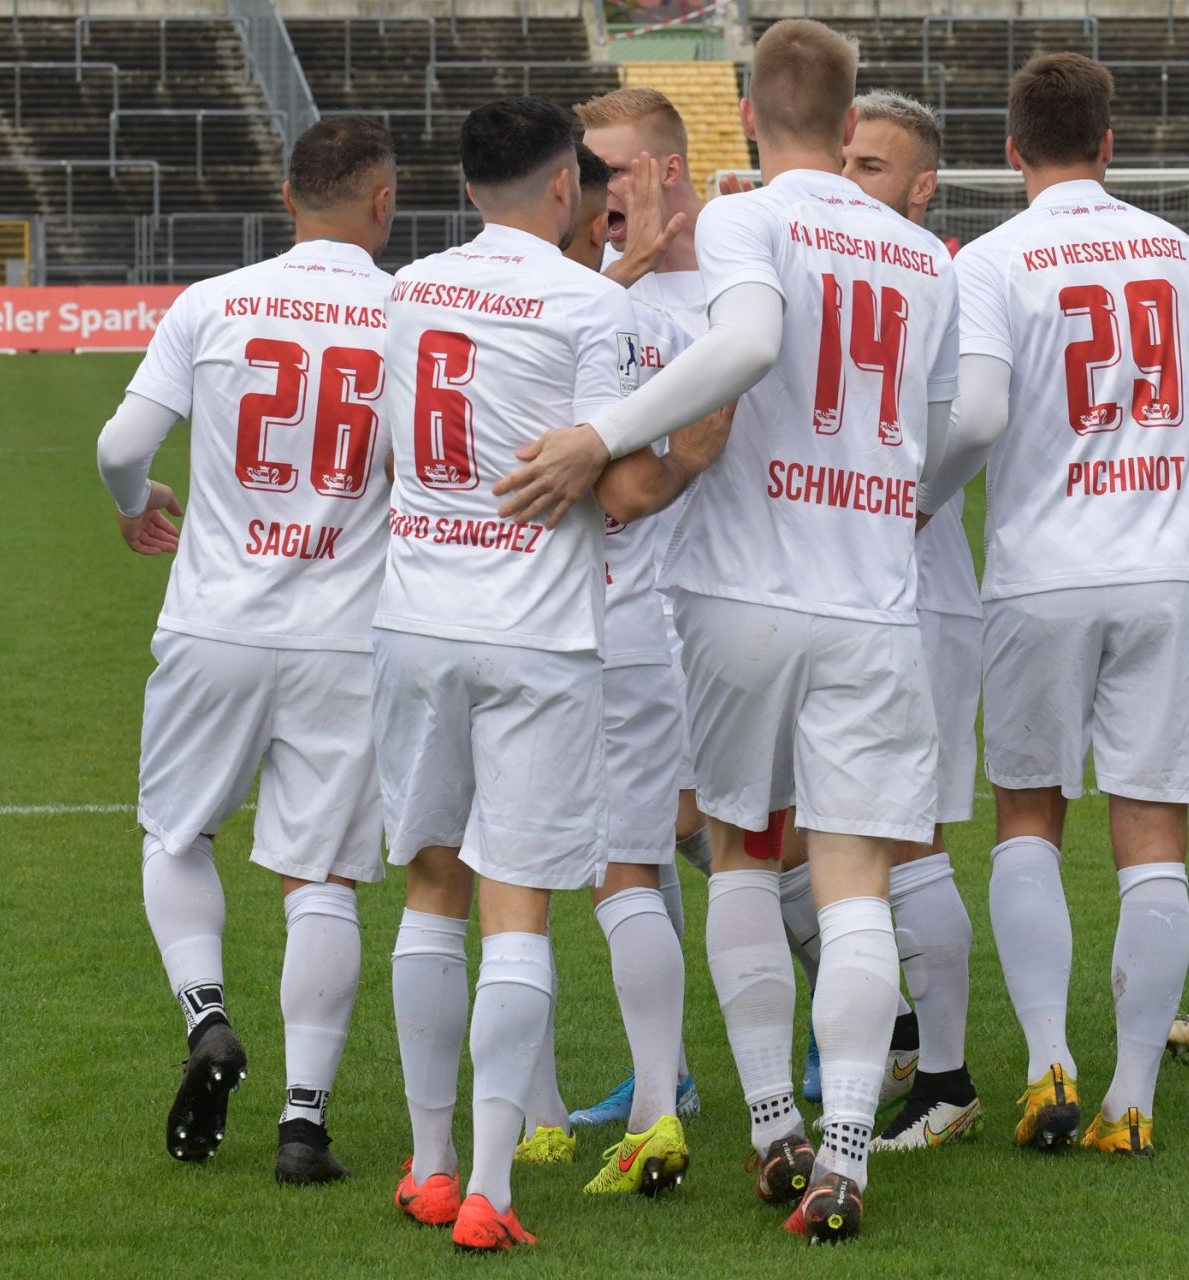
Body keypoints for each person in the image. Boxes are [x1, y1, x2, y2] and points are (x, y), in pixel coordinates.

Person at [494, 19, 963, 1243]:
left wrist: (600, 436)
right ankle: (849, 1146)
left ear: (751, 116)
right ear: (855, 123)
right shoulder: (923, 255)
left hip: (740, 593)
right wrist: (896, 505)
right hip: (870, 592)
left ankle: (771, 1125)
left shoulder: (753, 218)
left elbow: (749, 345)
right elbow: (956, 419)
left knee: (746, 850)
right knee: (857, 872)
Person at [918, 53, 1189, 1160]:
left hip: (1040, 569)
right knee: (1153, 832)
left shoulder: (991, 257)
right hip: (1166, 567)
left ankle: (1043, 1064)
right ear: (1111, 144)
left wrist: (914, 503)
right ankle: (1131, 1095)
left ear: (1012, 150)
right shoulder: (1179, 251)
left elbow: (975, 418)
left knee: (1027, 814)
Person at [375, 96, 678, 1251]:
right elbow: (624, 485)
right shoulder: (591, 304)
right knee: (519, 910)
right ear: (565, 190)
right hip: (535, 635)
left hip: (413, 620)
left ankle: (433, 1160)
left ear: (465, 188)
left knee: (431, 887)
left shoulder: (408, 292)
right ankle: (494, 1188)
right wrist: (700, 437)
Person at [93, 116, 399, 1184]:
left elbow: (121, 445)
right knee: (321, 875)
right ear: (381, 202)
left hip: (216, 620)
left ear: (285, 196)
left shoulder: (212, 302)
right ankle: (304, 1126)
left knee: (175, 834)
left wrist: (139, 505)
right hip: (348, 636)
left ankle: (208, 1015)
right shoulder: (406, 311)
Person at [510, 141, 731, 1191]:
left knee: (517, 881)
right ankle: (655, 1105)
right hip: (643, 624)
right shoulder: (670, 325)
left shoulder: (519, 317)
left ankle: (541, 1116)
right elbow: (698, 445)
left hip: (527, 623)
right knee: (631, 871)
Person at [833, 88, 984, 1154]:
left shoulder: (946, 277)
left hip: (915, 592)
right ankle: (889, 1022)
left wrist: (916, 495)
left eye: (875, 167)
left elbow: (978, 415)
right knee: (806, 833)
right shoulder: (839, 265)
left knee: (904, 833)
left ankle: (945, 1073)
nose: (854, 183)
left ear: (923, 186)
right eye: (845, 161)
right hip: (843, 593)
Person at [565, 88, 716, 1130]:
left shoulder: (741, 284)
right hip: (641, 609)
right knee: (652, 835)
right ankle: (666, 1072)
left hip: (738, 600)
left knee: (736, 831)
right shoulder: (595, 294)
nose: (594, 191)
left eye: (610, 170)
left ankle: (871, 1022)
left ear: (663, 169)